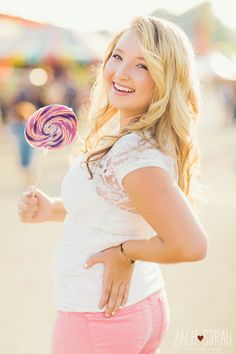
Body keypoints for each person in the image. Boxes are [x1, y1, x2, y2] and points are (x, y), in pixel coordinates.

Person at [18, 16, 208, 354]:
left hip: (99, 320)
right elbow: (110, 205)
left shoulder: (135, 156)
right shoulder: (132, 141)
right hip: (129, 310)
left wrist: (125, 253)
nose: (120, 72)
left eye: (143, 65)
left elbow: (191, 245)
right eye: (118, 57)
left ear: (165, 80)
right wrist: (51, 209)